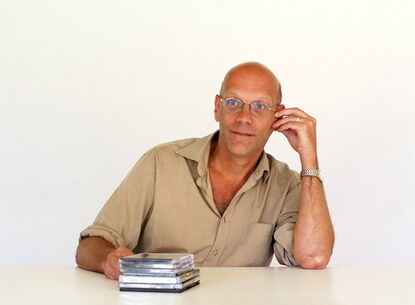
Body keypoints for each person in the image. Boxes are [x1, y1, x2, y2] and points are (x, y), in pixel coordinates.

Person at [76, 62, 334, 280]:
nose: (244, 117)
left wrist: (308, 157)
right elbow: (89, 247)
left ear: (277, 117)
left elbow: (313, 257)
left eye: (259, 107)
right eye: (233, 102)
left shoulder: (286, 184)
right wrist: (108, 260)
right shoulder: (160, 163)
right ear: (216, 107)